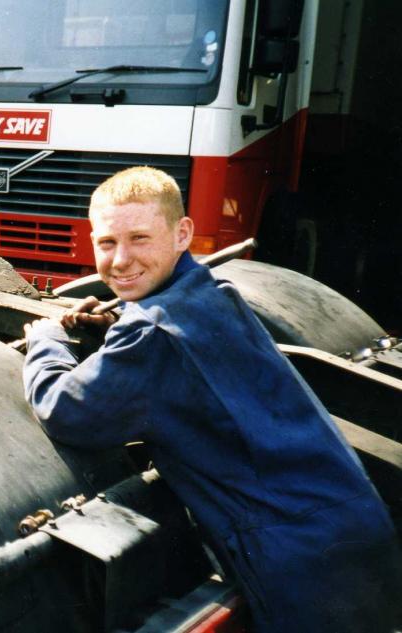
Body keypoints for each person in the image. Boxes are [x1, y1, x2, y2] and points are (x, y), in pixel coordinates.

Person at [22, 166, 402, 632]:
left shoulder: (151, 334)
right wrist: (116, 328)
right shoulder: (211, 294)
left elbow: (66, 412)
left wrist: (47, 342)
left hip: (303, 564)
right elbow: (174, 353)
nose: (120, 260)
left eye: (140, 238)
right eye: (107, 243)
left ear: (183, 233)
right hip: (350, 529)